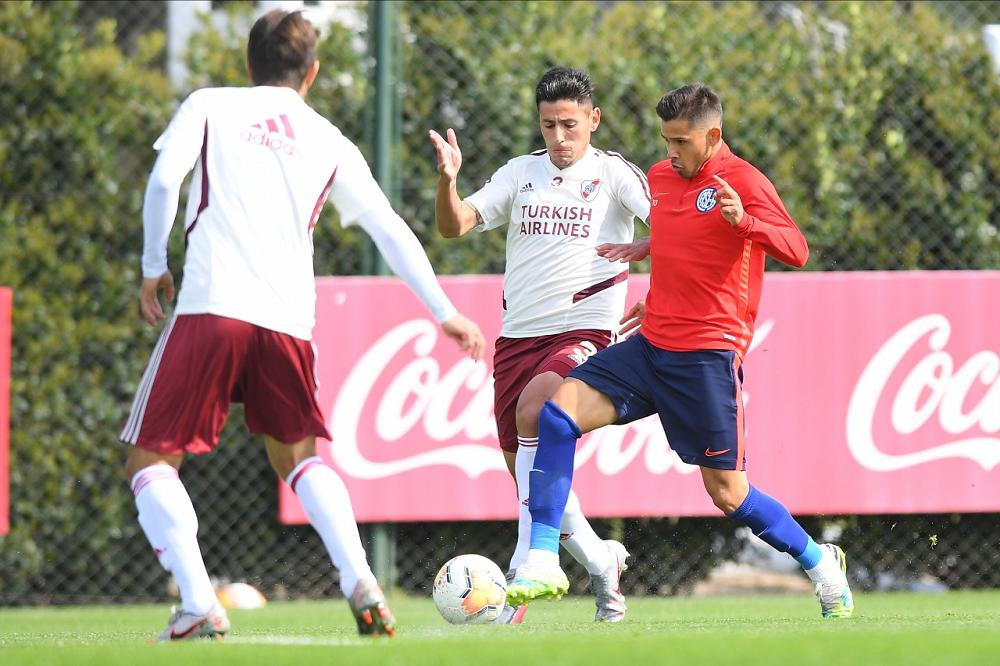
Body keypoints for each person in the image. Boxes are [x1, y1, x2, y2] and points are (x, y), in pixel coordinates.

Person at [121, 9, 485, 642]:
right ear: (311, 73)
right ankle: (359, 580)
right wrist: (443, 311)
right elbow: (390, 228)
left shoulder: (211, 104)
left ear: (247, 64)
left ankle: (199, 603)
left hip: (212, 306)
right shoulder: (328, 138)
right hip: (288, 322)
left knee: (150, 459)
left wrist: (154, 265)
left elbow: (162, 182)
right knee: (298, 457)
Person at [506, 83, 854, 620]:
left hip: (707, 358)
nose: (670, 152)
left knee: (729, 495)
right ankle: (543, 558)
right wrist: (652, 268)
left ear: (712, 135)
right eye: (665, 140)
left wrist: (746, 224)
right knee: (557, 414)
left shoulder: (744, 182)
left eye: (681, 141)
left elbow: (798, 249)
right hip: (651, 348)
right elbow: (677, 233)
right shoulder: (664, 178)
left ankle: (820, 562)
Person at [429, 67, 651, 624]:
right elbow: (455, 226)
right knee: (532, 483)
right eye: (549, 125)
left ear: (594, 120)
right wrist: (447, 182)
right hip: (516, 342)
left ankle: (525, 571)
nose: (559, 136)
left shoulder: (616, 175)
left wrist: (662, 287)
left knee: (540, 410)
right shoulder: (520, 173)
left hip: (584, 331)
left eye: (570, 124)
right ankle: (604, 567)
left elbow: (671, 227)